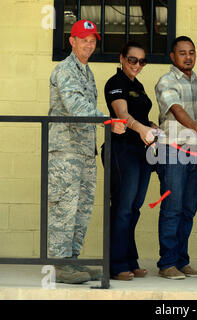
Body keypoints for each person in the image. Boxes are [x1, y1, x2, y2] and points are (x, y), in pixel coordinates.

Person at [48, 20, 126, 284]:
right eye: (84, 39)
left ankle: (71, 260)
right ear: (72, 41)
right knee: (64, 209)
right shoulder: (66, 70)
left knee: (82, 209)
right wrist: (107, 121)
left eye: (92, 40)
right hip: (65, 153)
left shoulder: (86, 71)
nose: (89, 45)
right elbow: (76, 106)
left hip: (84, 152)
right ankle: (59, 265)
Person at [103, 41, 157, 281]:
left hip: (141, 151)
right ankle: (116, 264)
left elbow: (142, 117)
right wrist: (142, 128)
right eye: (133, 60)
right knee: (123, 209)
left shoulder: (139, 85)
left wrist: (154, 128)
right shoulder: (115, 83)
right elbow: (123, 115)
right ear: (122, 58)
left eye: (142, 61)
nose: (137, 65)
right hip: (122, 151)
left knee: (134, 208)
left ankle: (130, 259)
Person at [154, 36, 197, 280]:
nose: (188, 57)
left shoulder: (195, 81)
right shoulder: (166, 81)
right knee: (172, 208)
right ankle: (167, 263)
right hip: (173, 150)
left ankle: (182, 261)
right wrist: (195, 125)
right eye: (182, 53)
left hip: (194, 152)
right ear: (173, 57)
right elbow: (176, 109)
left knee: (188, 209)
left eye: (192, 52)